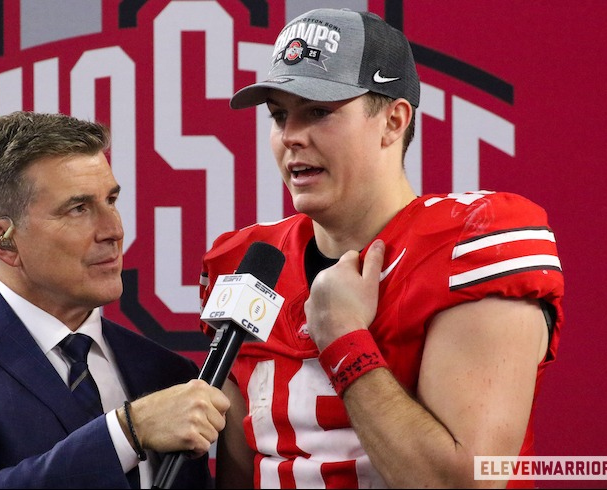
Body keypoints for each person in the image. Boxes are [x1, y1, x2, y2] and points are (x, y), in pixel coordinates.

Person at [200, 8, 564, 489]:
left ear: (393, 120)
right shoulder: (246, 261)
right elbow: (241, 473)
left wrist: (343, 339)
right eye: (280, 115)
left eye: (319, 111)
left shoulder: (473, 242)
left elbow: (464, 484)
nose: (291, 136)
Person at [0, 111, 229, 489]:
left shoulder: (165, 373)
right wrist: (127, 431)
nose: (115, 230)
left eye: (111, 200)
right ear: (3, 241)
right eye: (78, 208)